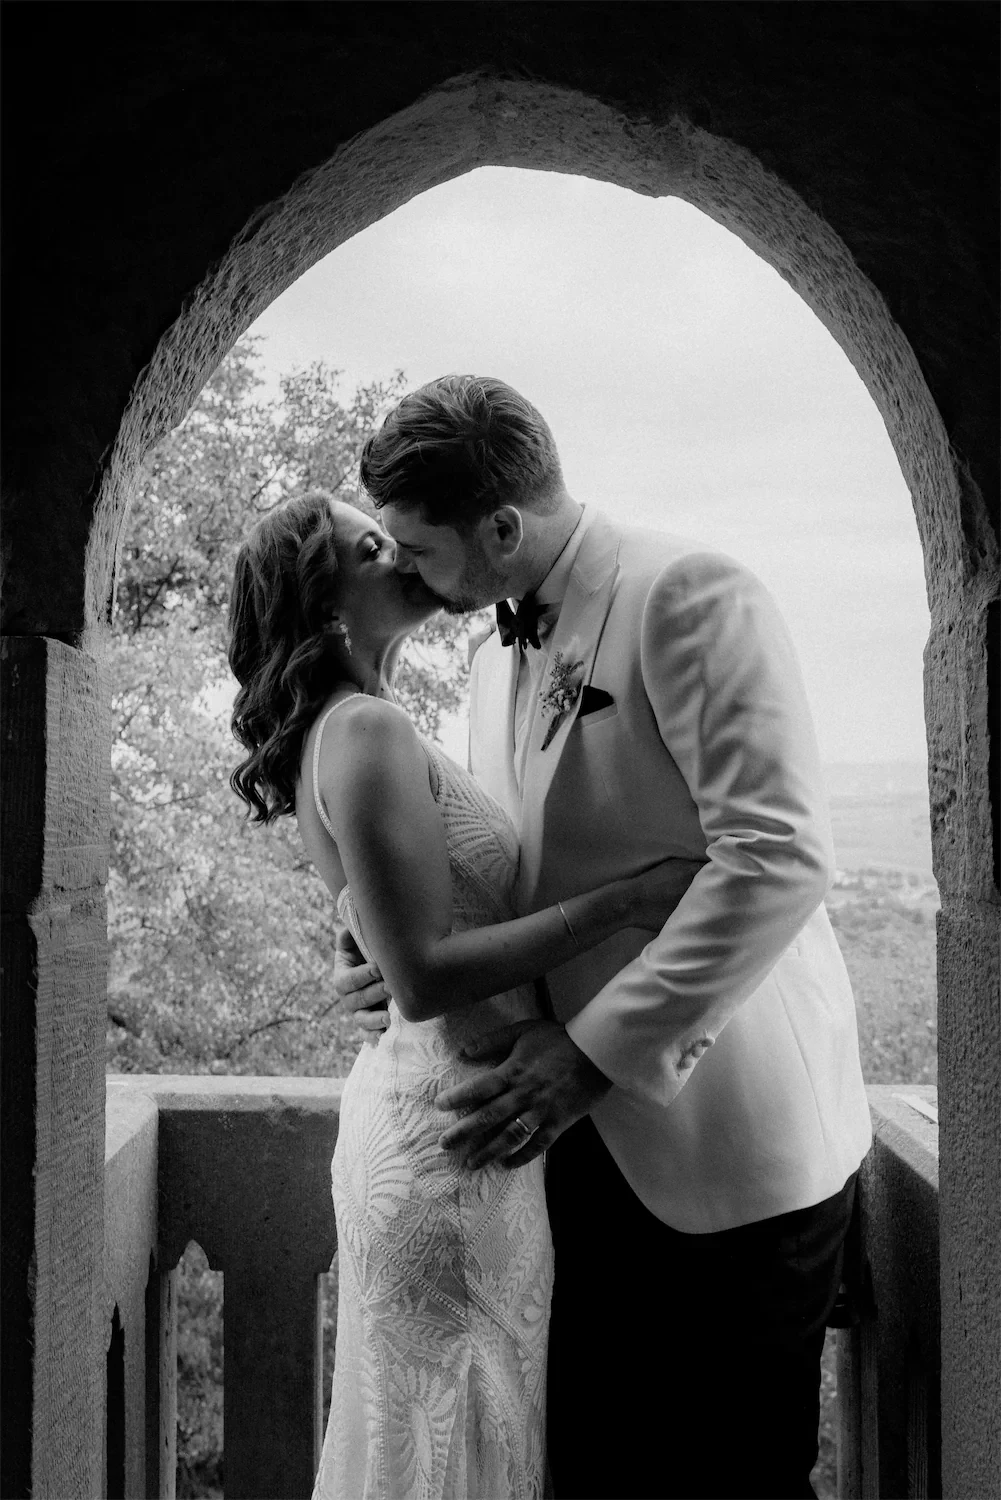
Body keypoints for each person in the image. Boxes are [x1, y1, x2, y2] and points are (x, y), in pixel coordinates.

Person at [336, 374, 874, 1499]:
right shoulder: (489, 657)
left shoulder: (687, 591)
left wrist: (591, 1056)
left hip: (726, 1146)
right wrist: (399, 943)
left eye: (420, 549)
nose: (409, 576)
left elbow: (775, 856)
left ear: (500, 529)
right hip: (566, 1159)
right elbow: (513, 865)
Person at [227, 490, 699, 1500]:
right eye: (370, 546)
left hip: (447, 1120)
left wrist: (373, 949)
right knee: (457, 1443)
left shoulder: (353, 727)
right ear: (324, 602)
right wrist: (626, 901)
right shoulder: (364, 729)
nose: (401, 551)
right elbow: (424, 976)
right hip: (452, 1149)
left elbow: (394, 932)